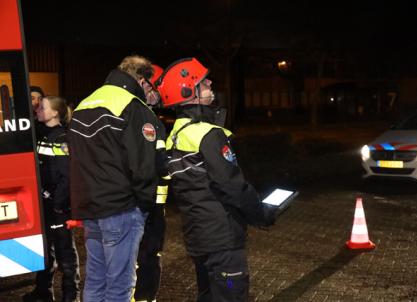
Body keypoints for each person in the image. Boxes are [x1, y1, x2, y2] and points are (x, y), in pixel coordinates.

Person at [157, 57, 277, 302]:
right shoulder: (208, 135)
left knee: (209, 294)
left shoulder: (176, 137)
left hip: (199, 238)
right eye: (202, 81)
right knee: (231, 291)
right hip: (223, 241)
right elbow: (232, 185)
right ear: (189, 92)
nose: (210, 82)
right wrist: (262, 214)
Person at [68, 55, 163, 302]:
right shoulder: (133, 107)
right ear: (142, 80)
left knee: (96, 280)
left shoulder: (84, 104)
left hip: (90, 207)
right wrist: (144, 205)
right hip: (121, 208)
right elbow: (142, 166)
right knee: (120, 286)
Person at [23, 96, 80, 302]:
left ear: (55, 113)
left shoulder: (62, 139)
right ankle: (43, 292)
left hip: (58, 207)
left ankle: (71, 297)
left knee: (66, 256)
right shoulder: (44, 135)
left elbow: (67, 177)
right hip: (45, 204)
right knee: (46, 251)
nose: (38, 109)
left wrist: (58, 205)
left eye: (42, 107)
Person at [133, 64, 169, 302]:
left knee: (146, 256)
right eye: (157, 88)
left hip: (150, 205)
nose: (160, 95)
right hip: (147, 205)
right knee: (146, 257)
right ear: (144, 85)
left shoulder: (147, 119)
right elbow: (161, 166)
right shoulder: (147, 121)